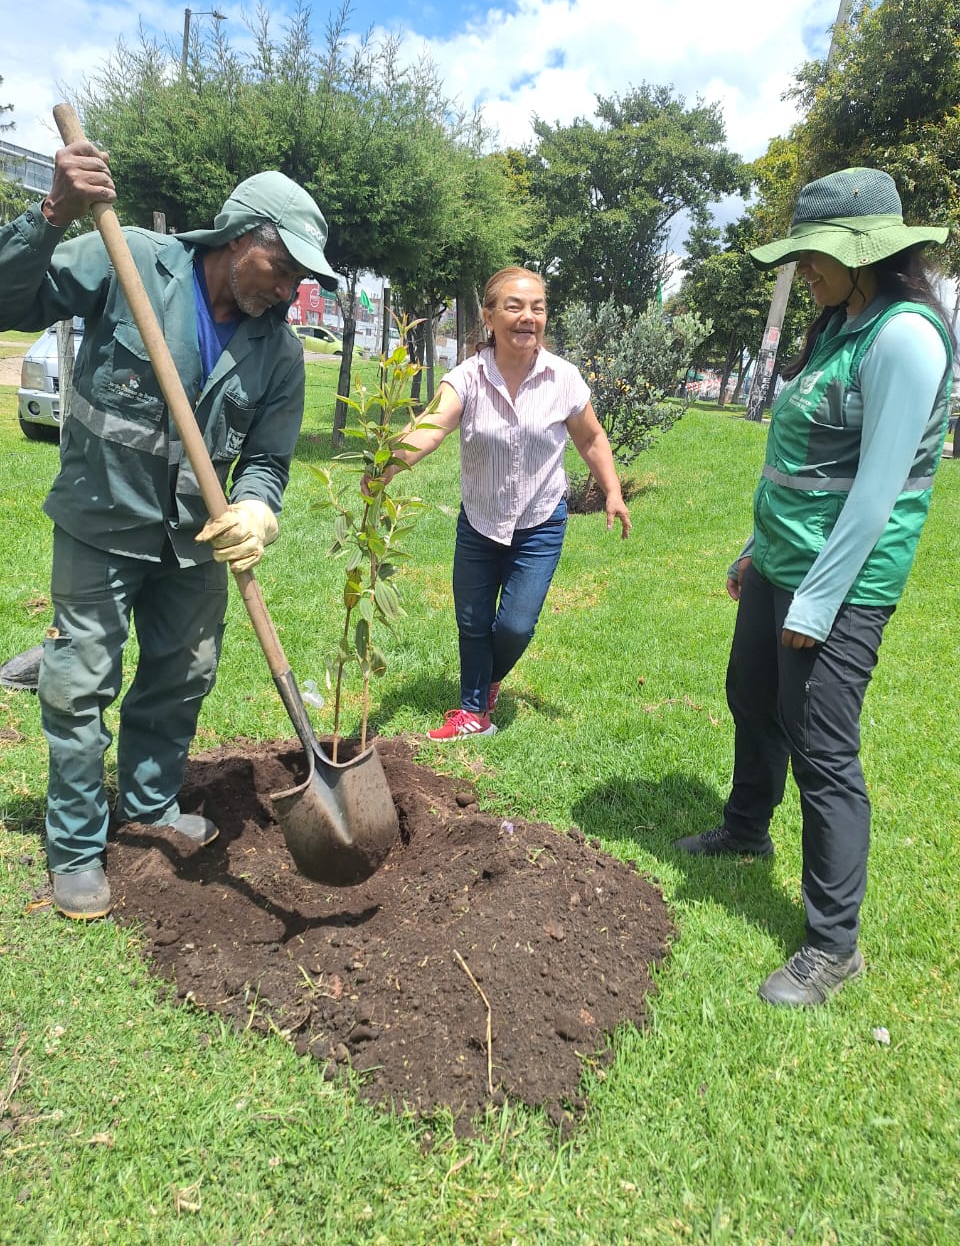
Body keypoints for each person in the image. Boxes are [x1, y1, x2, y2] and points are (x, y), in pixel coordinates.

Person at [0, 140, 339, 921]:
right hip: (101, 517)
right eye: (282, 267)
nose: (288, 289)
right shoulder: (127, 260)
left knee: (182, 676)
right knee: (80, 683)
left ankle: (149, 804)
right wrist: (51, 214)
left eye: (298, 278)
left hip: (195, 542)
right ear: (240, 236)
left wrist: (256, 509)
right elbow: (10, 303)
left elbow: (267, 461)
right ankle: (75, 847)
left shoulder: (280, 353)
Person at [675, 168, 954, 1006]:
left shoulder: (905, 337)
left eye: (813, 254)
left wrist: (821, 601)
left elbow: (877, 491)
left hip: (844, 581)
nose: (802, 270)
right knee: (752, 696)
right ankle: (745, 830)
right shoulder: (840, 323)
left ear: (865, 253)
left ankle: (834, 946)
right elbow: (801, 466)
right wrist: (755, 552)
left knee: (822, 747)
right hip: (782, 562)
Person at [376, 266, 631, 740]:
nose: (527, 317)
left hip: (540, 521)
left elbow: (591, 438)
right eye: (514, 307)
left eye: (537, 307)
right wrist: (384, 467)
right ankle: (474, 711)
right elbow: (430, 428)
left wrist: (612, 492)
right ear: (489, 316)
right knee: (473, 622)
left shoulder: (563, 378)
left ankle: (488, 680)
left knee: (515, 625)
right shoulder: (467, 378)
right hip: (480, 520)